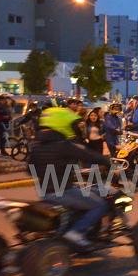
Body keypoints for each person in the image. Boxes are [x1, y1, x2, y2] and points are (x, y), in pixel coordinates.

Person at [29, 106, 111, 248]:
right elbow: (88, 155)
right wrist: (107, 161)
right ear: (61, 124)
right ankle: (76, 233)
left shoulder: (37, 146)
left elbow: (30, 169)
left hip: (45, 193)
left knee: (83, 196)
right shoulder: (63, 145)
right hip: (63, 191)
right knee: (100, 205)